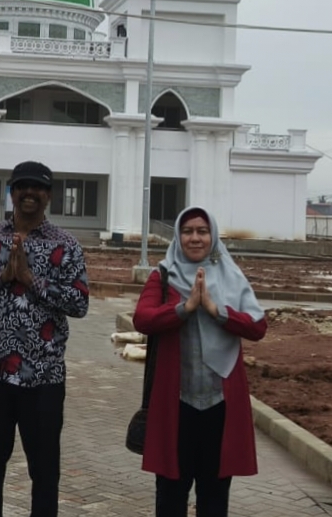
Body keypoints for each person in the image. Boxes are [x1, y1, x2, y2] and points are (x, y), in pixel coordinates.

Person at [0, 160, 90, 517]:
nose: (29, 193)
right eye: (22, 186)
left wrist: (30, 279)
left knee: (45, 473)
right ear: (11, 192)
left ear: (48, 195)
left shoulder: (66, 245)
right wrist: (2, 276)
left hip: (44, 378)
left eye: (37, 187)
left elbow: (80, 302)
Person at [132, 206, 267, 517]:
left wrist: (217, 310)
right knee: (170, 495)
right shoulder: (164, 275)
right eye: (188, 231)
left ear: (213, 236)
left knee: (214, 497)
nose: (195, 238)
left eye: (202, 231)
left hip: (220, 406)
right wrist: (185, 307)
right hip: (176, 406)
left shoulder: (231, 276)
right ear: (178, 236)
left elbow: (258, 327)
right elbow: (143, 319)